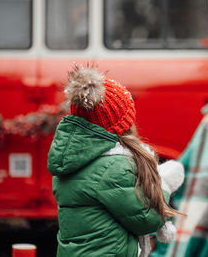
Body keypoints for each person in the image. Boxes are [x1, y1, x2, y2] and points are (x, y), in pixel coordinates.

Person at [47, 64, 184, 257]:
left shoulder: (74, 159)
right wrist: (164, 185)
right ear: (121, 124)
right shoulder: (113, 168)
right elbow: (148, 217)